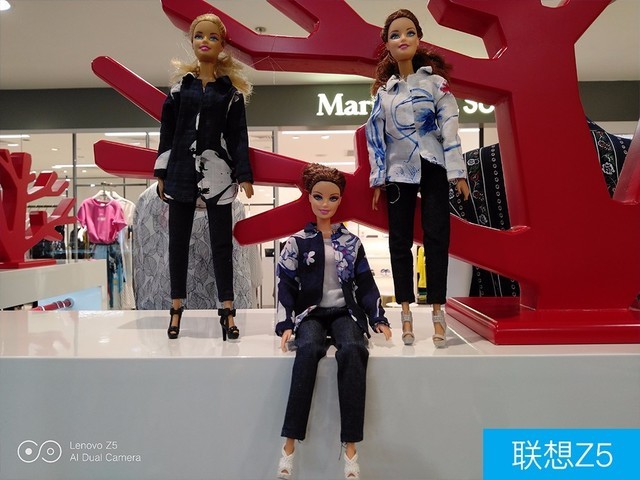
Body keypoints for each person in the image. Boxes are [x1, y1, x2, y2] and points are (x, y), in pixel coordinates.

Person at [275, 163, 392, 479]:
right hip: (311, 312)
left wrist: (377, 316)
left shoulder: (351, 242)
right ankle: (289, 444)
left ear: (340, 200)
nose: (325, 204)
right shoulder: (297, 242)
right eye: (318, 196)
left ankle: (350, 447)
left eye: (332, 198)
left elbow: (365, 283)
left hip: (344, 312)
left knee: (353, 349)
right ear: (309, 197)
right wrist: (286, 323)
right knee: (308, 349)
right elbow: (285, 284)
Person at [366, 9, 470, 348]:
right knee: (399, 241)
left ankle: (439, 312)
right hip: (398, 171)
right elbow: (376, 138)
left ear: (419, 38)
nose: (403, 39)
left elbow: (450, 127)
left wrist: (457, 172)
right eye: (395, 35)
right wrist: (378, 178)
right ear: (386, 44)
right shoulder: (385, 94)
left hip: (433, 165)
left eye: (409, 32)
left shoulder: (436, 84)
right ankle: (406, 312)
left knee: (437, 237)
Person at [153, 13, 254, 340]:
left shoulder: (229, 94)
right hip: (181, 171)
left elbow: (238, 136)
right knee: (177, 243)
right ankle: (176, 308)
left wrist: (244, 174)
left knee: (222, 244)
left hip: (219, 173)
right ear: (192, 41)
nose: (205, 42)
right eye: (199, 36)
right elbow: (167, 132)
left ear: (222, 45)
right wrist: (162, 171)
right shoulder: (180, 90)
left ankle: (227, 309)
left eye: (212, 37)